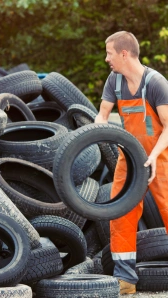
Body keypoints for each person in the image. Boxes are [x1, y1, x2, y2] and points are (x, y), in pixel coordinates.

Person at [95, 31, 168, 295]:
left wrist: (154, 156)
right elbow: (102, 117)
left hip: (160, 157)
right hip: (130, 160)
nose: (107, 59)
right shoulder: (115, 81)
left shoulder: (156, 83)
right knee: (120, 214)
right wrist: (89, 139)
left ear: (124, 54)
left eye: (109, 53)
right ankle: (126, 279)